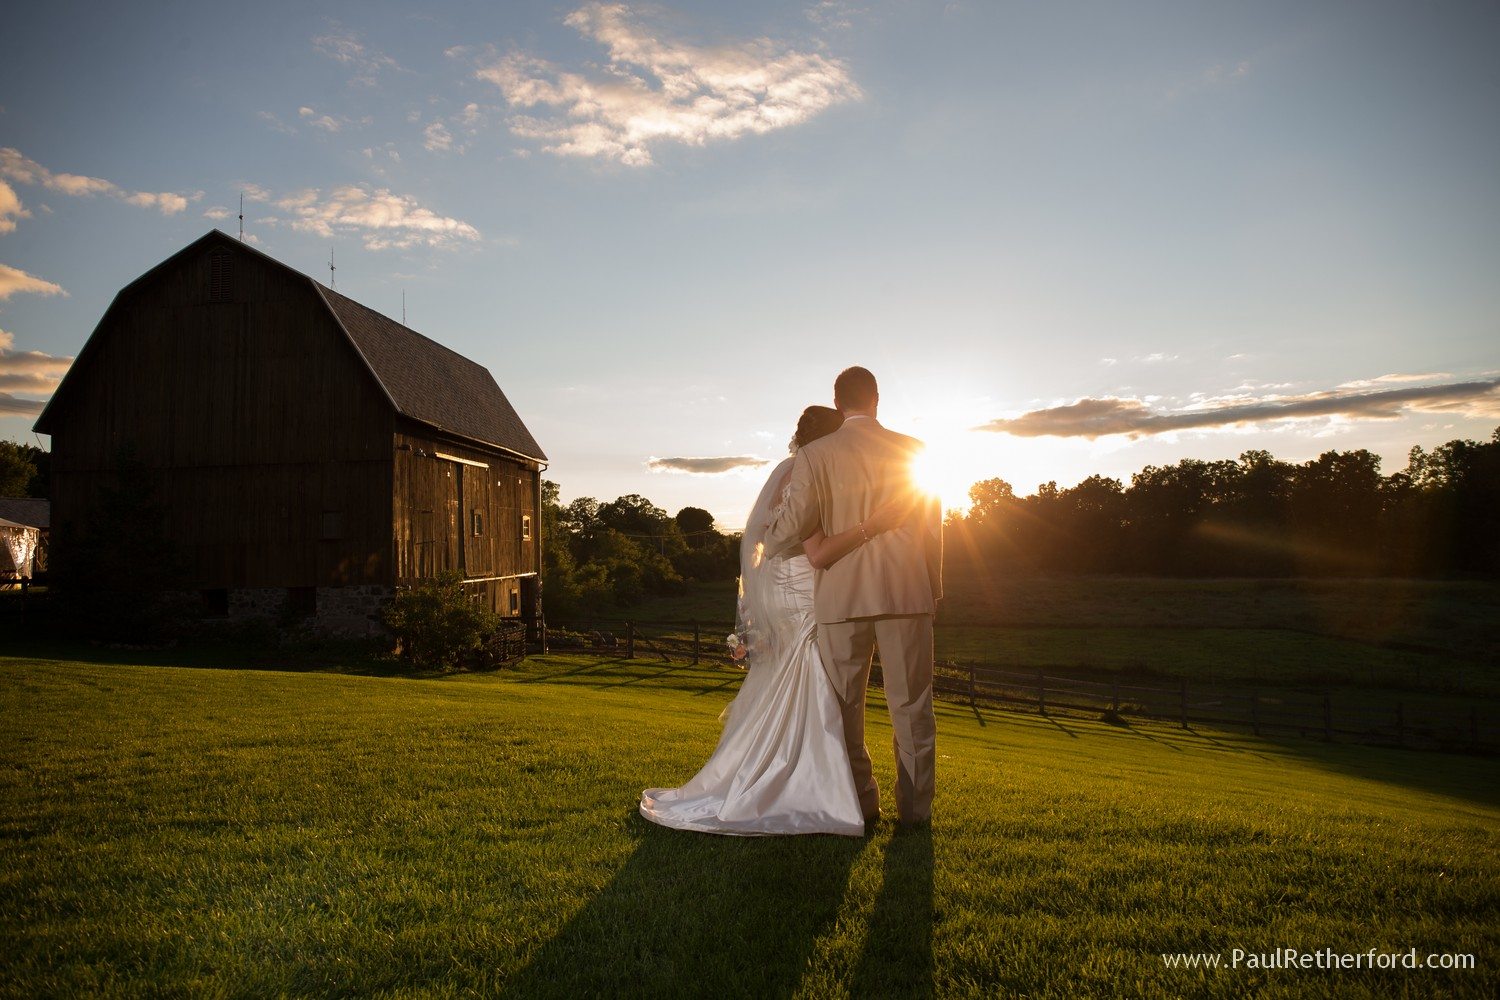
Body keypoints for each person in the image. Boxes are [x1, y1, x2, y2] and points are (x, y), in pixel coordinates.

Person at [639, 406, 911, 837]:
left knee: (792, 678)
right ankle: (814, 788)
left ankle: (803, 776)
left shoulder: (788, 468)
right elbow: (807, 539)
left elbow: (760, 543)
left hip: (786, 587)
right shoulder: (809, 473)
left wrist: (750, 614)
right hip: (806, 589)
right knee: (814, 678)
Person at [763, 367, 943, 828]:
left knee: (843, 709)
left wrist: (770, 541)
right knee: (913, 706)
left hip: (841, 597)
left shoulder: (818, 454)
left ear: (838, 402)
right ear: (877, 398)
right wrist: (933, 587)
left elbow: (798, 521)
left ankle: (863, 803)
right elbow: (931, 529)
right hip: (907, 592)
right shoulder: (914, 451)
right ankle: (916, 813)